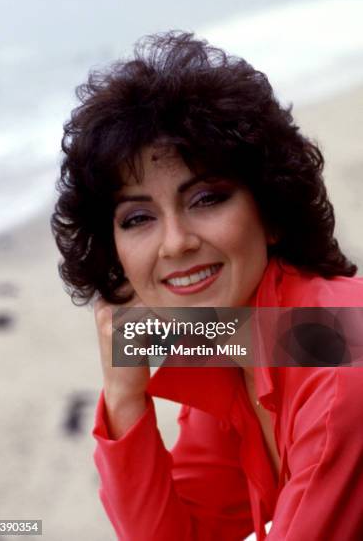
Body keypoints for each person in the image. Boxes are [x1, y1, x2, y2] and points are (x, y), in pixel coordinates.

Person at [51, 31, 363, 540]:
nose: (174, 243)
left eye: (206, 199)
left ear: (271, 211)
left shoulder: (336, 353)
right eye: (137, 218)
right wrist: (124, 394)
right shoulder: (239, 340)